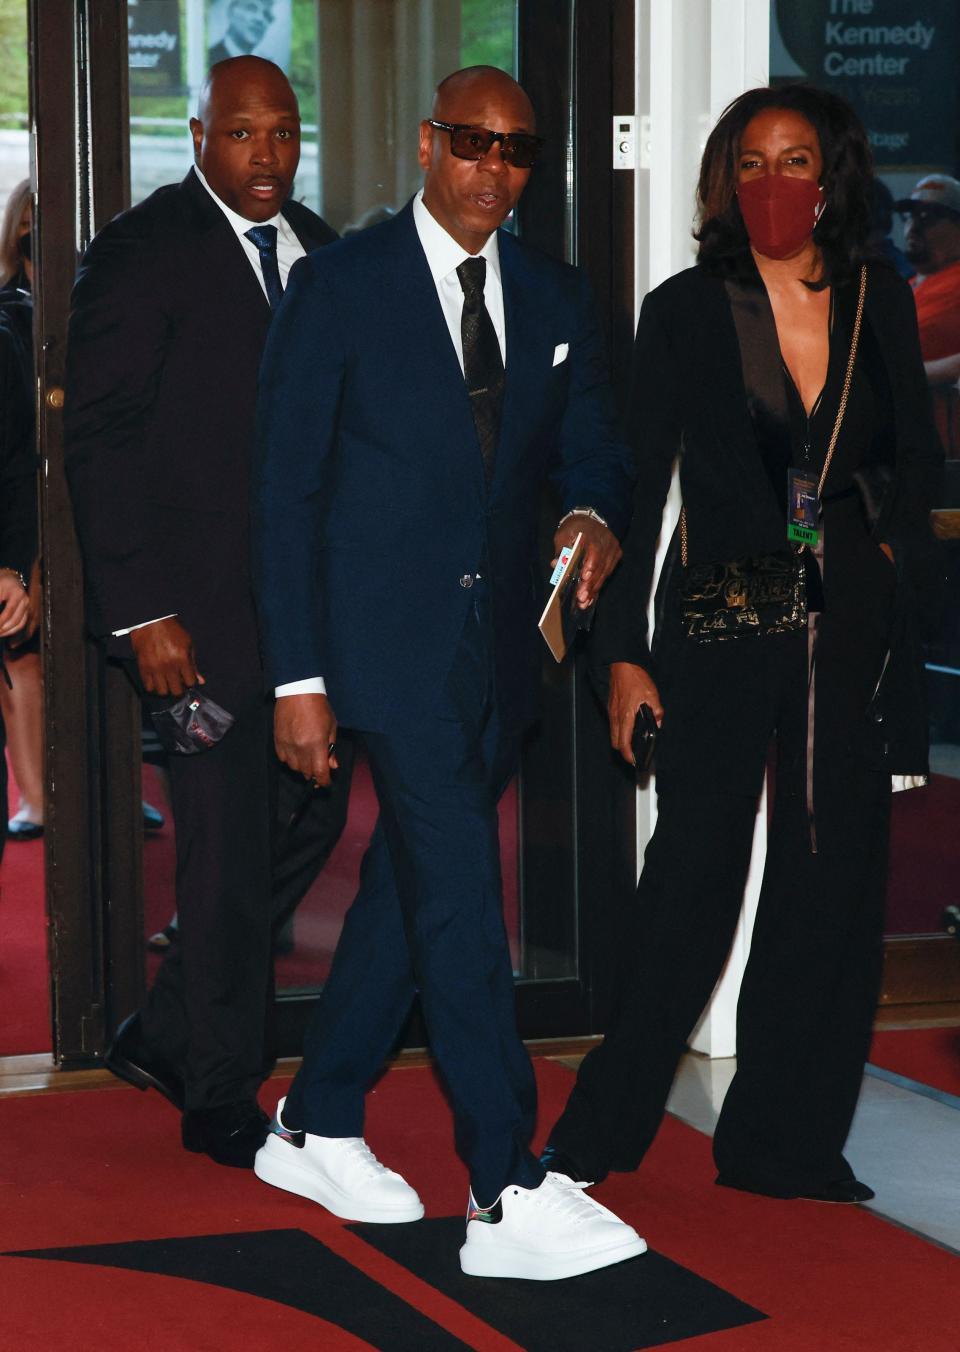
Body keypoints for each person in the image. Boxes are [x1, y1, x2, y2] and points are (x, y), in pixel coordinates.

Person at [251, 65, 644, 1282]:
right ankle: (502, 1184)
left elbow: (593, 454)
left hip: (504, 653)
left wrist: (592, 513)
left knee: (409, 890)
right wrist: (295, 678)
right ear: (428, 144)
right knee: (468, 900)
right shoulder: (342, 286)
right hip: (384, 649)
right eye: (472, 142)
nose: (494, 169)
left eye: (517, 152)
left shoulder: (553, 292)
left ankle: (314, 1117)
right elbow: (283, 494)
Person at [542, 84, 943, 1205]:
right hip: (727, 606)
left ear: (834, 174)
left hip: (849, 625)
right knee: (692, 874)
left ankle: (784, 1141)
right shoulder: (681, 310)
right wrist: (621, 652)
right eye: (753, 163)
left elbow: (920, 466)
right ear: (728, 180)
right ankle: (597, 1132)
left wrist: (886, 552)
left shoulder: (881, 301)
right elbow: (628, 490)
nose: (775, 183)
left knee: (832, 885)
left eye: (796, 159)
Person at [64, 57, 354, 1168]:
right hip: (191, 629)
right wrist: (142, 612)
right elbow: (99, 442)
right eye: (243, 134)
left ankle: (168, 1028)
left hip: (301, 621)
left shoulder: (321, 248)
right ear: (198, 134)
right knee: (227, 855)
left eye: (284, 132)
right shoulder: (143, 252)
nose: (268, 155)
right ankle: (218, 1093)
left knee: (309, 823)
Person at [0, 181, 43, 845]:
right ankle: (38, 796)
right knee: (22, 652)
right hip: (24, 511)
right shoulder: (8, 319)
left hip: (70, 501)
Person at [897, 174, 960, 455]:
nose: (914, 225)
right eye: (910, 215)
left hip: (950, 450)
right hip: (908, 448)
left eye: (929, 217)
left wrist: (904, 375)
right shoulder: (907, 286)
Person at [208, 0, 274, 66]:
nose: (260, 19)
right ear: (231, 12)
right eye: (251, 8)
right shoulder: (207, 60)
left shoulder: (264, 66)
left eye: (266, 15)